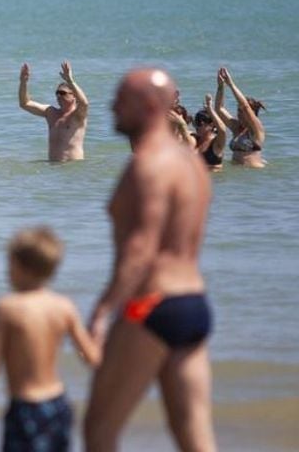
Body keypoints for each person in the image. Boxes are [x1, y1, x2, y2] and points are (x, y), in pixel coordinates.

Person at [84, 68, 215, 452]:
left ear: (149, 106)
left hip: (151, 304)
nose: (112, 106)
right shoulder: (192, 165)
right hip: (193, 305)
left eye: (121, 99)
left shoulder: (148, 165)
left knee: (99, 430)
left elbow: (141, 248)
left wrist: (103, 311)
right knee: (193, 433)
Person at [0, 227, 101, 450]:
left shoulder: (6, 308)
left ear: (21, 267)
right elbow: (92, 358)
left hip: (25, 408)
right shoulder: (64, 307)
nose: (7, 271)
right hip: (58, 405)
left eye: (9, 264)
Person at [18, 61, 89, 162]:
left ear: (74, 96)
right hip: (53, 168)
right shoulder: (50, 112)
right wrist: (23, 82)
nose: (58, 96)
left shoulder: (78, 115)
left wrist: (70, 81)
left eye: (62, 93)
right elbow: (25, 103)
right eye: (57, 93)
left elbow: (84, 103)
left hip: (72, 167)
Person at [215, 67, 266, 168]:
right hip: (239, 174)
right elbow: (219, 109)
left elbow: (245, 106)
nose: (238, 114)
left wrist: (231, 84)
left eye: (241, 112)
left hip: (253, 172)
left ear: (251, 113)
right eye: (238, 110)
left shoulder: (256, 130)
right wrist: (221, 87)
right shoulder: (236, 127)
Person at [193, 93, 226, 171]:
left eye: (200, 124)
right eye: (196, 123)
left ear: (211, 125)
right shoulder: (194, 139)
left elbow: (222, 130)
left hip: (213, 178)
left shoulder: (216, 142)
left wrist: (210, 109)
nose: (197, 127)